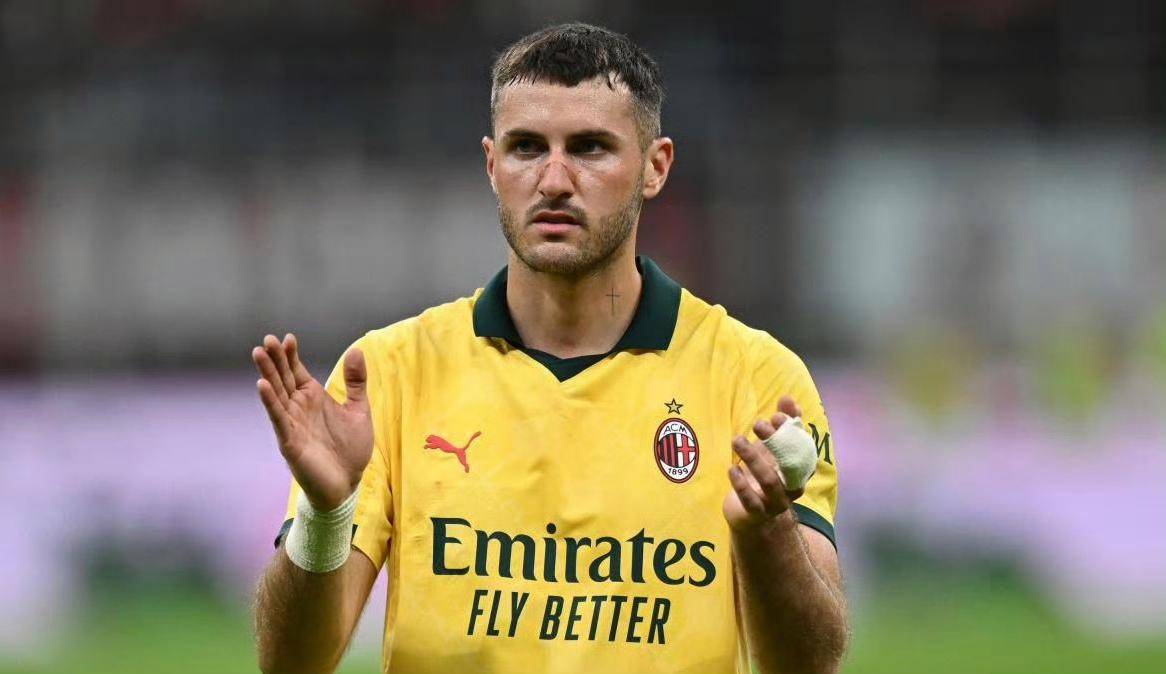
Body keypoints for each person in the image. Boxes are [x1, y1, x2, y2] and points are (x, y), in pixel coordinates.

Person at [251, 22, 848, 674]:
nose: (555, 179)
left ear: (656, 167)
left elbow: (811, 665)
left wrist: (767, 533)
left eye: (590, 148)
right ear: (491, 165)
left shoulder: (755, 378)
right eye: (527, 148)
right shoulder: (388, 374)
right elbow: (292, 664)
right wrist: (326, 515)